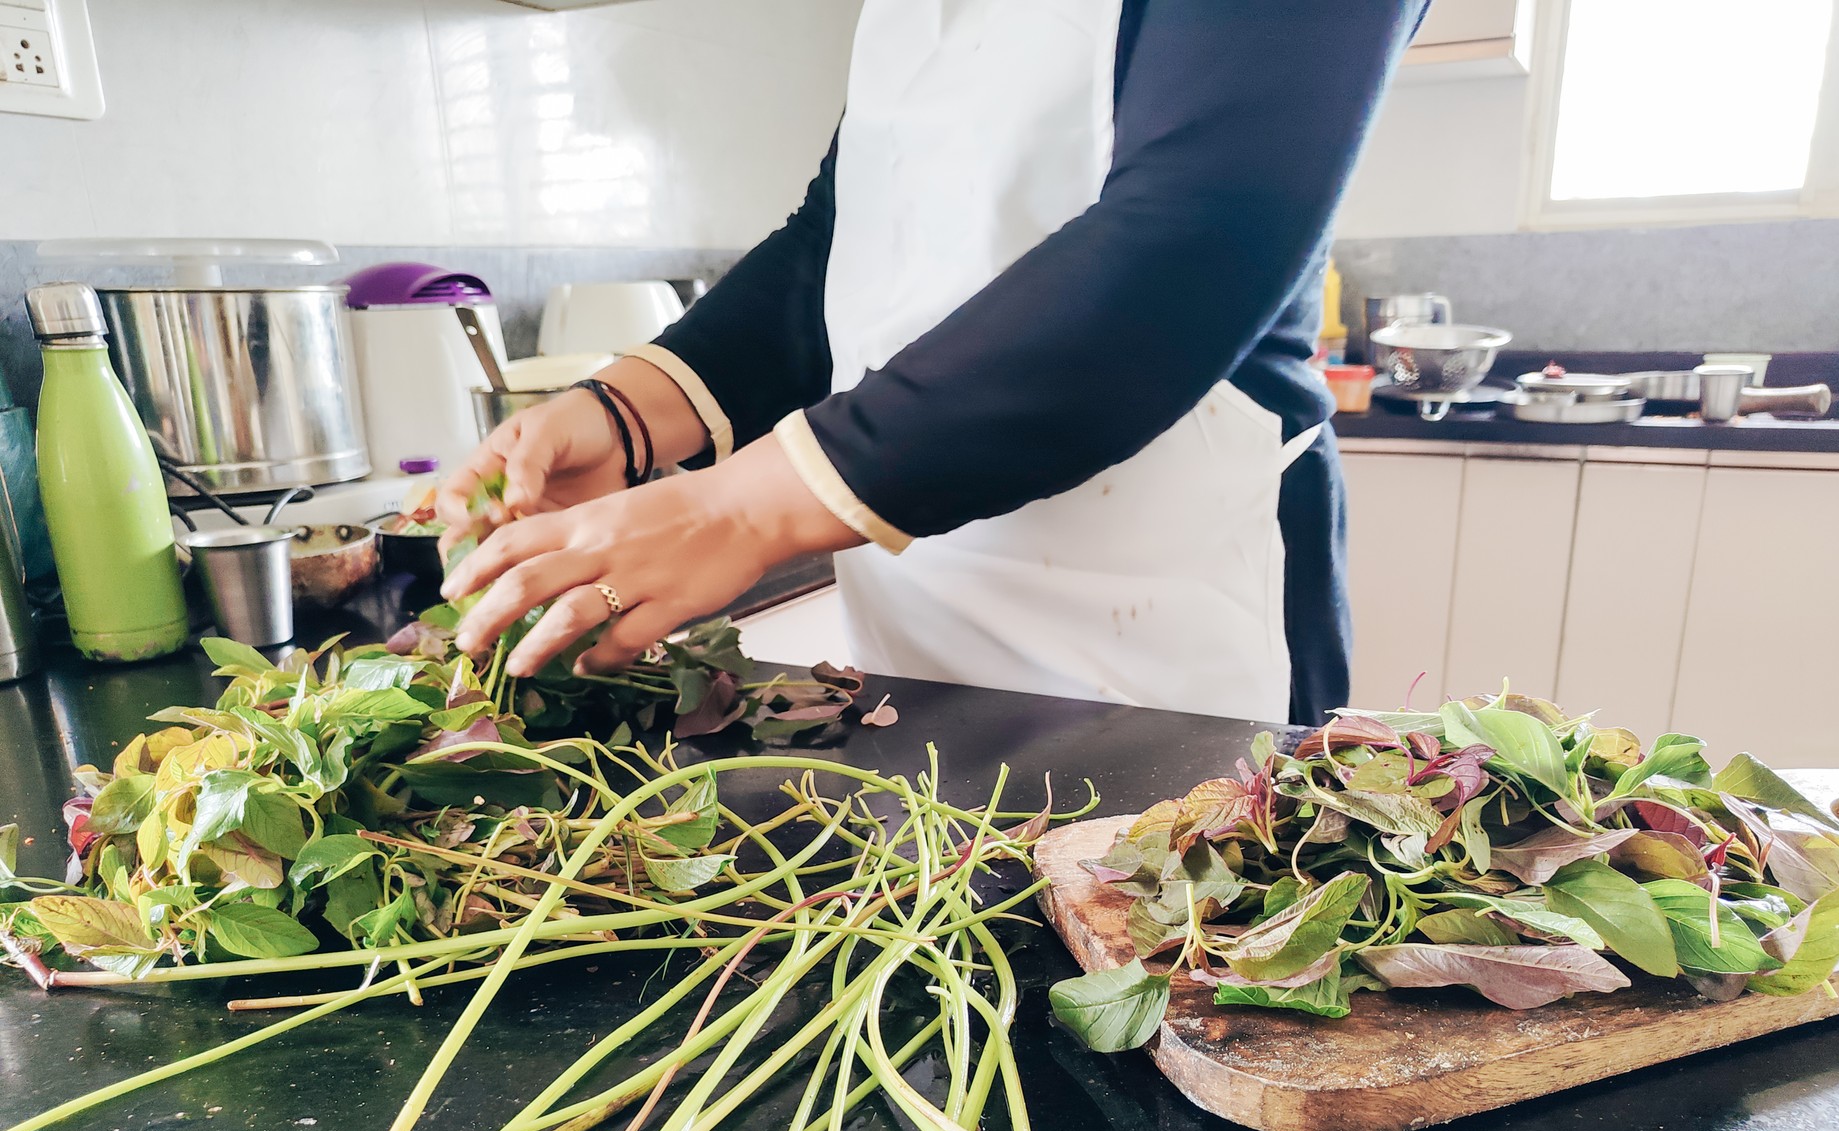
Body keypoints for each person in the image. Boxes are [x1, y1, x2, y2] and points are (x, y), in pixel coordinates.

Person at [438, 0, 1427, 726]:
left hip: (1176, 627)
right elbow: (845, 234)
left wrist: (734, 508)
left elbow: (1197, 236)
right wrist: (631, 410)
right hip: (922, 634)